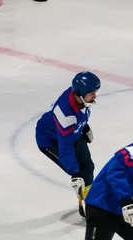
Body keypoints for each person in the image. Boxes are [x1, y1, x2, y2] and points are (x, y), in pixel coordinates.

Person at [35, 71, 100, 220]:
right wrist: (74, 173)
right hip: (51, 141)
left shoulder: (78, 97)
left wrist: (85, 127)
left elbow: (81, 114)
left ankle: (89, 200)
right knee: (80, 173)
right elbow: (65, 149)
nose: (95, 97)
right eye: (92, 93)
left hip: (72, 132)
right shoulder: (66, 116)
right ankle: (85, 207)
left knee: (88, 167)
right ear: (81, 94)